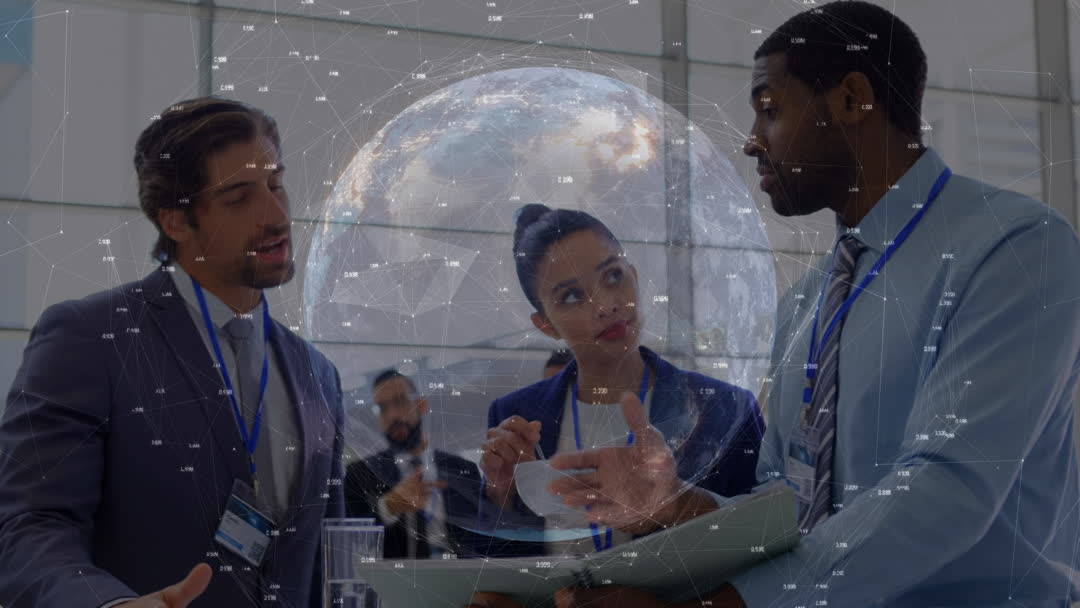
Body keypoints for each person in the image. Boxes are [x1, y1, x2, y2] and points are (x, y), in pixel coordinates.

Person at [469, 2, 1080, 606]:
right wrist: (677, 504)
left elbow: (948, 489)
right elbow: (786, 505)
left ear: (852, 100)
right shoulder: (807, 303)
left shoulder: (1013, 248)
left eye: (770, 110)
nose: (752, 142)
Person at [0, 97, 346, 607]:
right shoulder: (91, 339)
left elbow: (327, 560)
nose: (276, 216)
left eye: (275, 185)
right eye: (239, 199)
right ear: (177, 222)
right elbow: (29, 526)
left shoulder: (317, 374)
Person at [478, 204, 765, 554]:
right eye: (572, 296)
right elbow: (491, 562)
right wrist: (501, 494)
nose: (605, 305)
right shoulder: (516, 415)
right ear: (546, 325)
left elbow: (766, 534)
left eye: (613, 276)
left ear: (635, 276)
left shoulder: (725, 408)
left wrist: (679, 503)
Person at [344, 369, 485, 559]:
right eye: (382, 408)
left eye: (400, 402)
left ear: (421, 404)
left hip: (462, 574)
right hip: (394, 576)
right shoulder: (361, 474)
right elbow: (345, 538)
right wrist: (388, 506)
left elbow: (485, 534)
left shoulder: (463, 470)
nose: (393, 415)